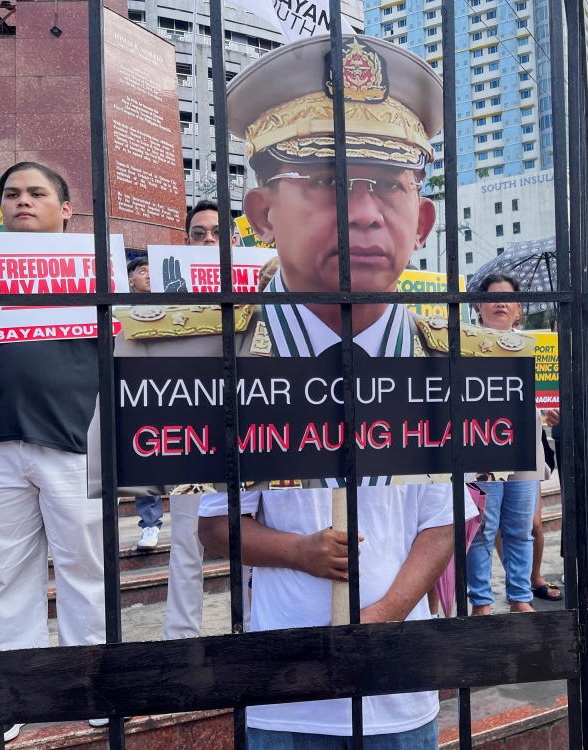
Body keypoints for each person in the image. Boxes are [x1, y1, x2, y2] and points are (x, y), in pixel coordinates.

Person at [118, 35, 501, 747]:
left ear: (421, 223)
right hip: (282, 691)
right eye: (325, 180)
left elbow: (446, 519)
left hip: (399, 687)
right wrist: (299, 553)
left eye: (389, 185)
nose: (364, 212)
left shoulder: (450, 364)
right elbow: (210, 525)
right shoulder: (218, 362)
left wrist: (383, 617)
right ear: (263, 214)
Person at [0, 162, 106, 746]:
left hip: (75, 439)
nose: (23, 201)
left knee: (86, 570)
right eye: (12, 194)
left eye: (37, 193)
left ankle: (91, 687)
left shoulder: (97, 267)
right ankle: (14, 695)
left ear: (66, 209)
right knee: (3, 575)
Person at [467, 274, 551, 615]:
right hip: (482, 442)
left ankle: (520, 598)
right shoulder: (465, 344)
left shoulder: (538, 348)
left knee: (520, 527)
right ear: (479, 307)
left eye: (507, 298)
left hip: (524, 444)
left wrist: (550, 407)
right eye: (492, 297)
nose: (500, 303)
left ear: (519, 308)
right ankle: (481, 603)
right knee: (483, 529)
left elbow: (546, 396)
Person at [125, 256, 164, 550]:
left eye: (153, 270)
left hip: (171, 389)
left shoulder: (173, 304)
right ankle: (150, 525)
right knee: (143, 461)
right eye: (142, 271)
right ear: (130, 279)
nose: (149, 275)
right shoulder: (118, 309)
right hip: (135, 392)